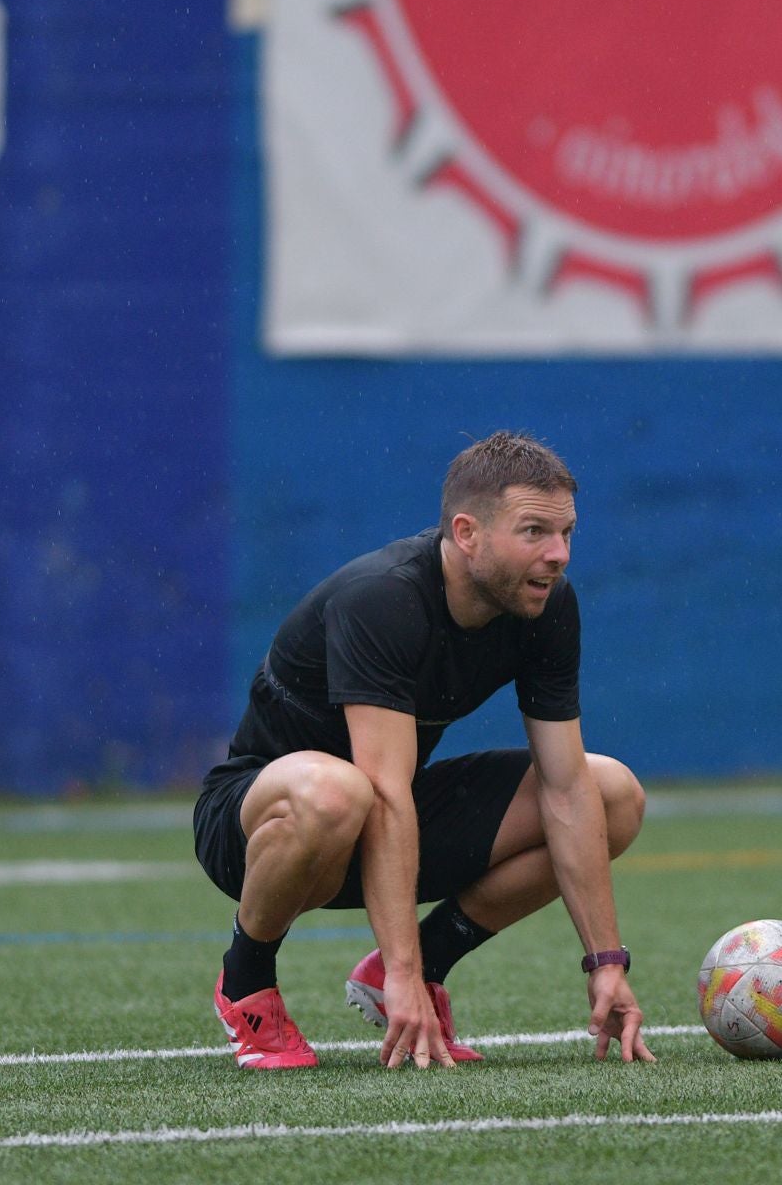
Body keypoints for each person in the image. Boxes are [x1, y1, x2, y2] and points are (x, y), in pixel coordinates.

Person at [193, 431, 655, 1070]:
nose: (558, 554)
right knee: (337, 791)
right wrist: (403, 969)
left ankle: (423, 963)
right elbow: (381, 792)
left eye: (566, 532)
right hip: (258, 827)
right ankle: (247, 980)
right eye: (534, 532)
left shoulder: (546, 605)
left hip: (387, 816)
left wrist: (606, 962)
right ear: (467, 534)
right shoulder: (381, 598)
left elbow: (565, 786)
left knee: (613, 795)